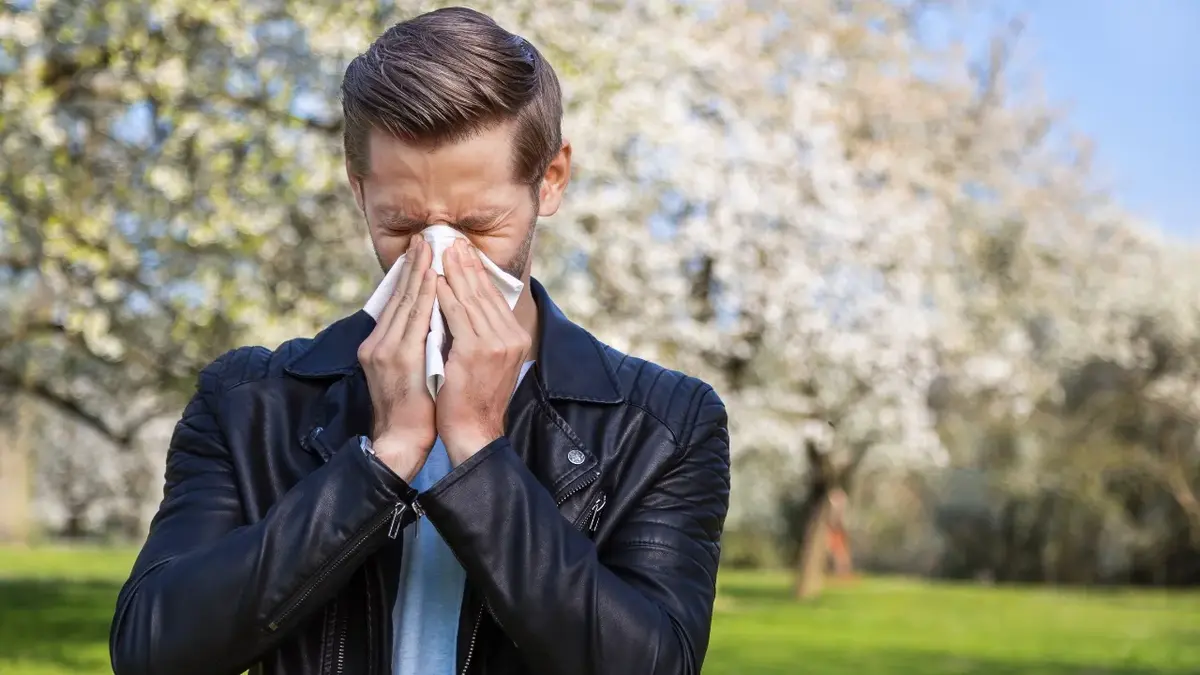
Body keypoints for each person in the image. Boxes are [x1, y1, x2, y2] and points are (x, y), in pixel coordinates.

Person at [108, 7, 731, 675]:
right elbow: (152, 650)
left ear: (548, 181)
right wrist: (381, 463)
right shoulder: (250, 402)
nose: (438, 257)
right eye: (402, 225)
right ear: (359, 191)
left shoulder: (664, 424)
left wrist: (480, 453)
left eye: (478, 224)